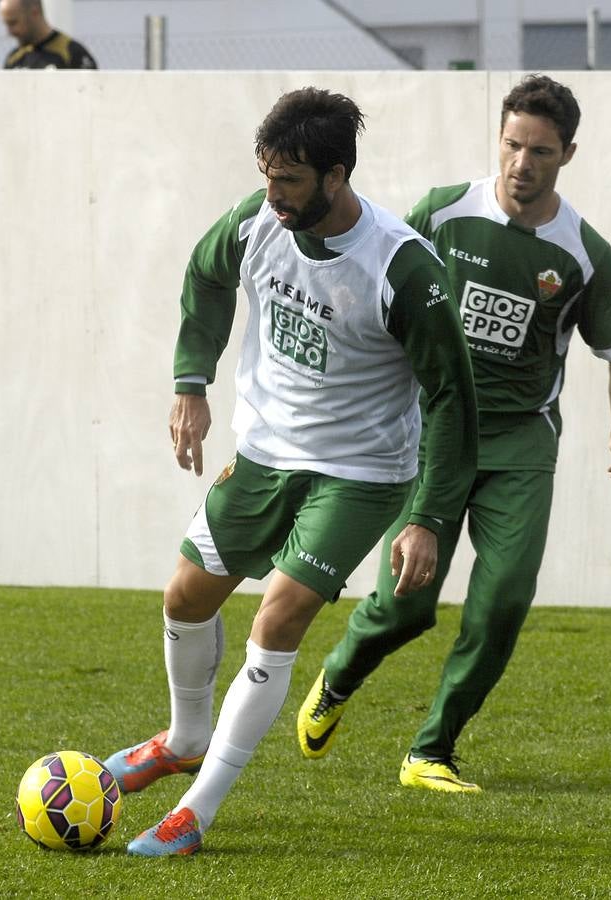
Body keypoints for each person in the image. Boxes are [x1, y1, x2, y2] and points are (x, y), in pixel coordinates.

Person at [103, 87, 478, 857]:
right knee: (186, 593)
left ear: (336, 176)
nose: (272, 196)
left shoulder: (403, 267)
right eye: (267, 176)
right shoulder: (255, 222)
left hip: (359, 474)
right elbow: (206, 275)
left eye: (291, 182)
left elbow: (452, 399)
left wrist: (429, 518)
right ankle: (184, 738)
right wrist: (189, 383)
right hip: (266, 454)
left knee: (276, 618)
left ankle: (195, 814)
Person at [296, 74, 611, 793]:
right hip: (431, 434)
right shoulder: (442, 213)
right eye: (513, 145)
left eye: (541, 151)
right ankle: (338, 676)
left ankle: (432, 750)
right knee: (406, 605)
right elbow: (376, 285)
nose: (523, 163)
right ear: (500, 139)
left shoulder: (582, 253)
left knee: (506, 598)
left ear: (567, 154)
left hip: (521, 444)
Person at [0, 0, 97, 69]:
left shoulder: (73, 53)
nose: (9, 32)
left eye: (13, 23)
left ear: (34, 13)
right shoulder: (13, 59)